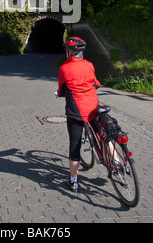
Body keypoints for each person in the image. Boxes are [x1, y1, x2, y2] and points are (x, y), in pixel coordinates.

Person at [58, 37, 100, 192]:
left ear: (69, 52)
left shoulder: (64, 68)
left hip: (76, 112)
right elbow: (96, 84)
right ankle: (116, 161)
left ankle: (73, 181)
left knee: (74, 146)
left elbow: (62, 90)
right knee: (103, 135)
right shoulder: (89, 65)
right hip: (93, 109)